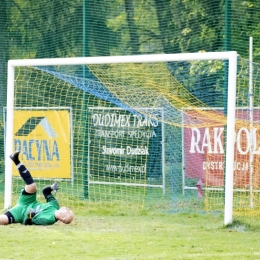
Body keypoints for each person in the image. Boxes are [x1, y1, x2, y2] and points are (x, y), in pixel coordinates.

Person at [0, 151, 74, 225]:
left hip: (21, 214)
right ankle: (16, 160)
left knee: (3, 220)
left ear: (63, 218)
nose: (68, 209)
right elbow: (45, 192)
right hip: (29, 201)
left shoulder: (48, 220)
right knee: (32, 187)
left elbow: (29, 223)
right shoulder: (55, 205)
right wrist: (51, 187)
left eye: (68, 212)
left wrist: (29, 216)